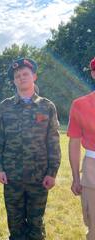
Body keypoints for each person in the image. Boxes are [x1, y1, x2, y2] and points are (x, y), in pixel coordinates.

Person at [0, 58, 61, 240]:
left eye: (25, 74)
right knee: (15, 225)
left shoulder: (47, 106)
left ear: (34, 76)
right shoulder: (5, 106)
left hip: (38, 176)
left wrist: (52, 172)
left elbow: (53, 142)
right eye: (17, 76)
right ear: (14, 80)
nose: (21, 78)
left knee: (36, 224)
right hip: (12, 176)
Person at [67, 57, 95, 240]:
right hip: (92, 168)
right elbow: (74, 143)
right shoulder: (80, 104)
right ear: (93, 74)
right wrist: (76, 178)